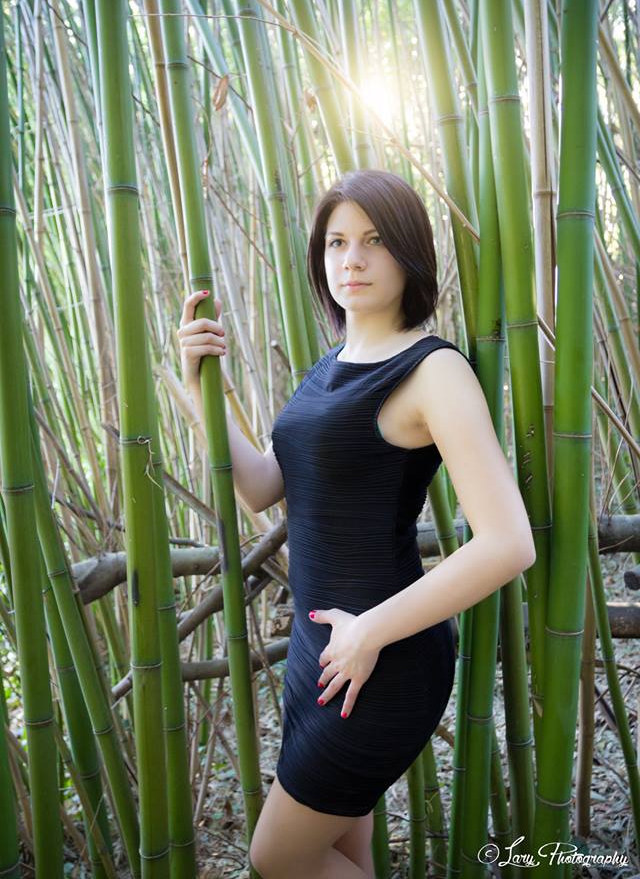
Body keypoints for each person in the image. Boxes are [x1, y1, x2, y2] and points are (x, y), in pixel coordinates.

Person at [178, 169, 536, 879]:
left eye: (374, 240)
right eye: (337, 242)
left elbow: (507, 543)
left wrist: (369, 631)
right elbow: (264, 489)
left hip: (382, 656)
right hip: (321, 653)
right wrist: (197, 391)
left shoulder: (433, 371)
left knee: (278, 859)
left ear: (409, 253)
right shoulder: (330, 366)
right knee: (344, 855)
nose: (352, 259)